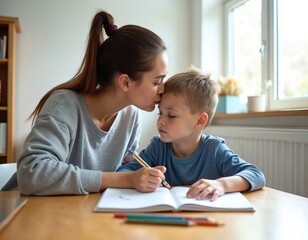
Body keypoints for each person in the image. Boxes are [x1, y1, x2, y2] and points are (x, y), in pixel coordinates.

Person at [2, 10, 169, 195]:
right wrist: (126, 179)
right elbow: (32, 173)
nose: (162, 89)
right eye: (156, 82)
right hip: (23, 212)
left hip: (78, 213)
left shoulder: (131, 117)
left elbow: (124, 169)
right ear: (126, 82)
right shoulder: (64, 105)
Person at [117, 67, 266, 201]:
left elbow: (256, 175)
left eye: (171, 115)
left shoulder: (214, 149)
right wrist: (137, 178)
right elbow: (124, 172)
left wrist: (221, 184)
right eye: (160, 113)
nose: (161, 120)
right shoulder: (158, 146)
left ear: (200, 120)